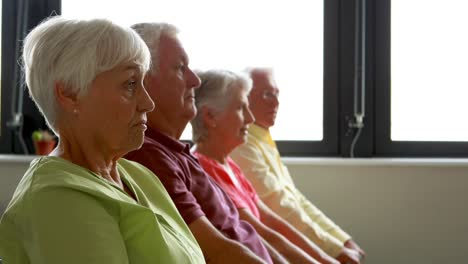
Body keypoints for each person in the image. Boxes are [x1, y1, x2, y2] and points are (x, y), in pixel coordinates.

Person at [0, 16, 205, 264]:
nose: (148, 103)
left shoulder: (139, 176)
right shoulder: (58, 200)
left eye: (143, 83)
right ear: (69, 93)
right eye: (130, 84)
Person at [125, 23, 271, 264]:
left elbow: (249, 232)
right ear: (143, 81)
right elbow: (215, 250)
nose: (195, 80)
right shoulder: (148, 155)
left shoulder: (174, 151)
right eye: (181, 68)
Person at [191, 69, 342, 264]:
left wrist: (326, 258)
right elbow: (262, 234)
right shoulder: (204, 169)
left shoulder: (229, 165)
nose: (250, 118)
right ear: (210, 116)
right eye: (240, 109)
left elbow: (272, 222)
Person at [230, 68, 366, 264]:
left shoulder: (261, 137)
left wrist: (342, 240)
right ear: (244, 98)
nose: (276, 102)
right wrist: (334, 251)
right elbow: (279, 208)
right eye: (267, 94)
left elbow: (296, 200)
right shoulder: (242, 144)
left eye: (277, 94)